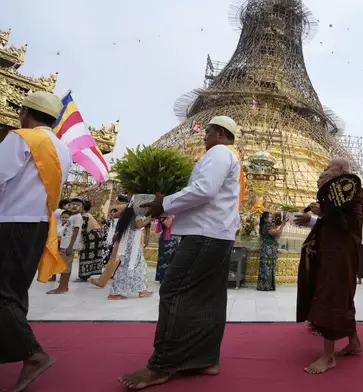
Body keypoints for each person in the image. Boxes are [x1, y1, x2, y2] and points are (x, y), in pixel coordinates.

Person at [118, 115, 241, 389]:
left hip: (204, 234)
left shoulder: (219, 153)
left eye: (208, 131)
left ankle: (162, 364)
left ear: (220, 134)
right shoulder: (229, 156)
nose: (204, 136)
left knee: (174, 291)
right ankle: (206, 359)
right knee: (209, 297)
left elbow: (204, 190)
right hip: (217, 235)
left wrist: (165, 203)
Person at [0, 92, 71, 392]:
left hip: (11, 222)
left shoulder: (21, 138)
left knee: (2, 292)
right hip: (39, 226)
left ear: (26, 112)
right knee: (14, 292)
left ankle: (32, 353)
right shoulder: (63, 149)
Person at [294, 158, 363, 374]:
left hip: (340, 254)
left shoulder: (352, 192)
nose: (322, 173)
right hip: (331, 251)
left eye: (327, 169)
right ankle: (354, 342)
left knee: (331, 296)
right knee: (342, 296)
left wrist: (323, 211)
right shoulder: (334, 196)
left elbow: (348, 224)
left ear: (341, 172)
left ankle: (328, 356)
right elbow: (332, 222)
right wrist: (313, 219)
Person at [48, 200, 84, 295]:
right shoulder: (72, 216)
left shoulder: (77, 217)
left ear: (81, 208)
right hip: (65, 244)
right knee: (65, 266)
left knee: (65, 267)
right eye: (73, 204)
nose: (74, 206)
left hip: (68, 245)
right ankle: (64, 286)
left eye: (78, 205)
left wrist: (70, 246)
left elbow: (76, 231)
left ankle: (62, 287)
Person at [257, 211, 287, 291]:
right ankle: (265, 286)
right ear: (265, 219)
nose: (271, 218)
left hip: (266, 249)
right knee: (267, 268)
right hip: (268, 250)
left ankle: (266, 285)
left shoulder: (264, 225)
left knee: (267, 268)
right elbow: (277, 234)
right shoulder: (267, 226)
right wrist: (282, 226)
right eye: (270, 217)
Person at [76, 199, 105, 282]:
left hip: (91, 237)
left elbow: (83, 230)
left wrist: (81, 242)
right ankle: (86, 275)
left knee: (86, 254)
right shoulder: (88, 215)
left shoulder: (84, 216)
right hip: (96, 236)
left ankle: (83, 276)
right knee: (90, 254)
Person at [155, 215, 180, 283]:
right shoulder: (163, 215)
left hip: (174, 238)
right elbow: (168, 225)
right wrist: (172, 217)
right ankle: (162, 277)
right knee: (164, 258)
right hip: (166, 239)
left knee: (173, 258)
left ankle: (170, 278)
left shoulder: (174, 214)